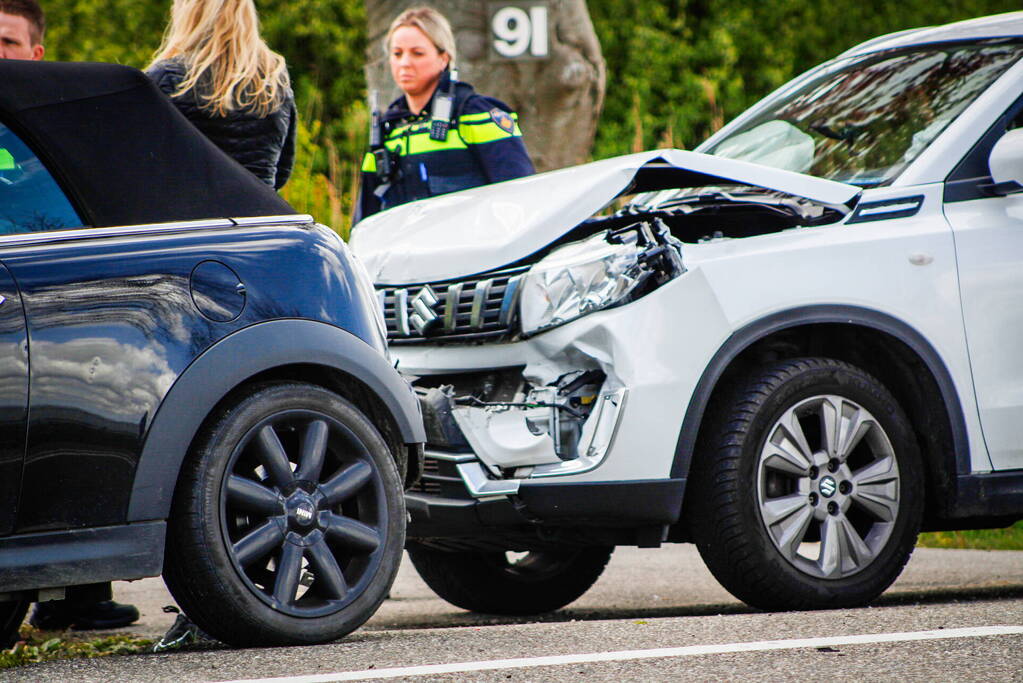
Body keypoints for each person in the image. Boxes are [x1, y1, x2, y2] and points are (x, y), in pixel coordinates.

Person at [0, 0, 139, 633]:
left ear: (34, 55)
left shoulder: (48, 129)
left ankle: (79, 597)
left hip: (60, 295)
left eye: (5, 42)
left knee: (79, 419)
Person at [355, 6, 534, 223]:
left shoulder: (477, 115)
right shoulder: (387, 130)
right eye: (397, 53)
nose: (404, 63)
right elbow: (365, 220)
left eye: (417, 53)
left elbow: (522, 198)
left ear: (444, 58)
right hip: (407, 254)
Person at [145, 0, 296, 190]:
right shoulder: (273, 78)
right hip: (261, 215)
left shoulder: (167, 76)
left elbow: (141, 160)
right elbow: (282, 170)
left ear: (188, 13)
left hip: (189, 213)